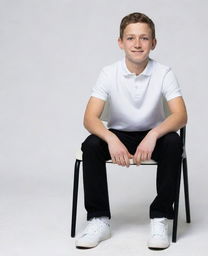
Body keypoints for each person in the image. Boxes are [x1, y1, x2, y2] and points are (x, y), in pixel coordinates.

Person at [75, 12, 187, 250]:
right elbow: (89, 118)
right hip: (119, 135)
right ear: (120, 42)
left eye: (144, 38)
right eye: (131, 38)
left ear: (153, 43)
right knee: (92, 145)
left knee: (173, 143)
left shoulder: (164, 73)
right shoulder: (108, 73)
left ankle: (160, 218)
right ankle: (99, 219)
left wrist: (154, 134)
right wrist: (110, 138)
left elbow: (180, 115)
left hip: (153, 135)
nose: (137, 44)